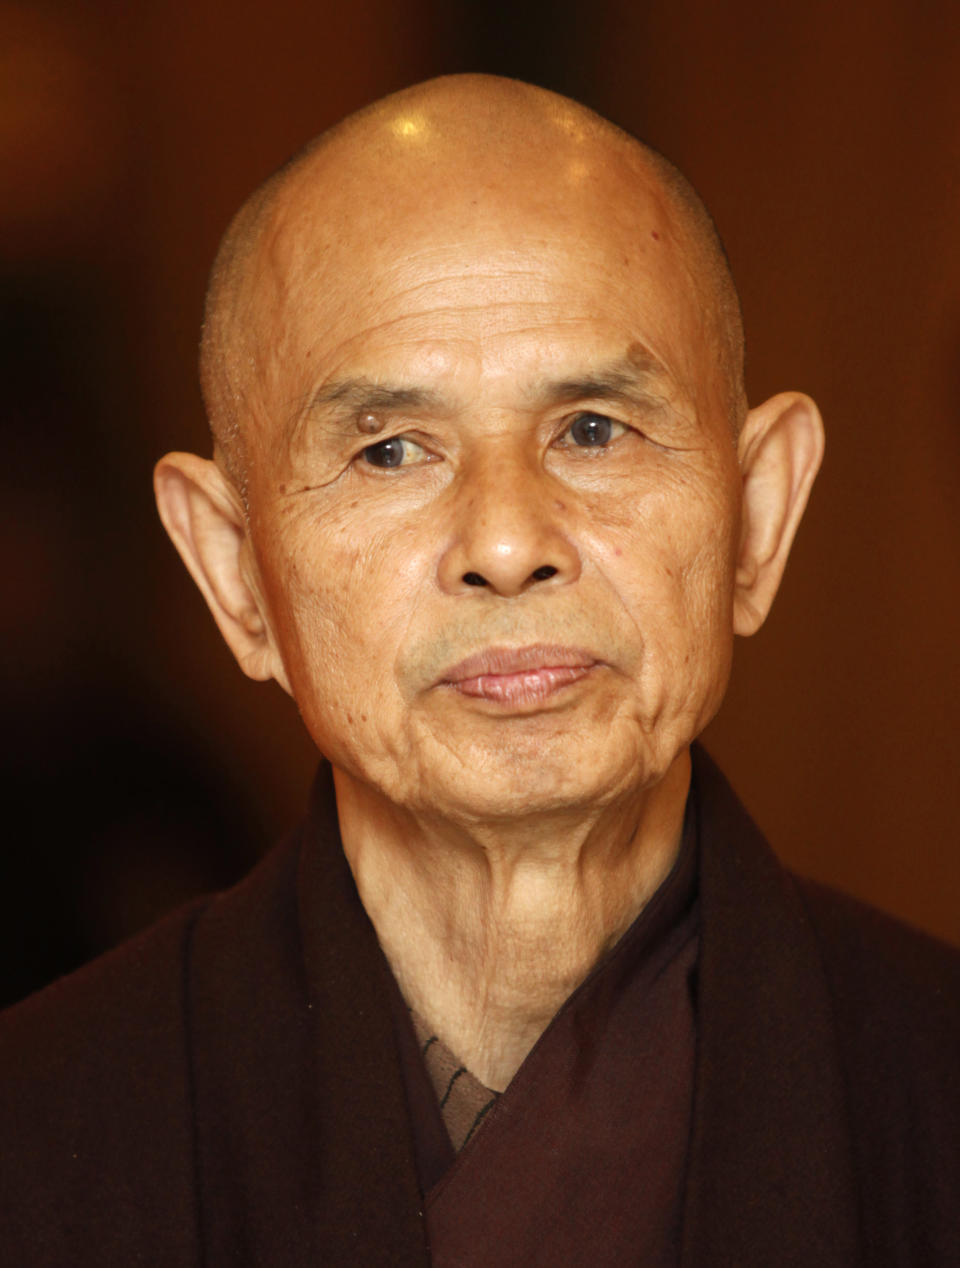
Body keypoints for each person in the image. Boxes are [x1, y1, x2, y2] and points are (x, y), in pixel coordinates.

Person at [1, 74, 957, 1266]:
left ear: (759, 516)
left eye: (595, 429)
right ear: (233, 570)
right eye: (391, 450)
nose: (508, 543)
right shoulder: (35, 1141)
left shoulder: (932, 1089)